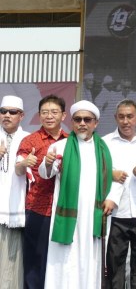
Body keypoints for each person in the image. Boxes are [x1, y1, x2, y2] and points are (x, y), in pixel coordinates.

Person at [38, 100, 113, 289]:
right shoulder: (61, 146)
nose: (82, 123)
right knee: (65, 259)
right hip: (68, 214)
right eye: (77, 119)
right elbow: (47, 173)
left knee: (90, 259)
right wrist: (47, 163)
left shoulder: (105, 149)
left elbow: (115, 178)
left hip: (92, 214)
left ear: (95, 123)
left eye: (87, 119)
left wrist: (112, 199)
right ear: (72, 122)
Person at [17, 95, 68, 289]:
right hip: (38, 208)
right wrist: (23, 164)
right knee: (35, 259)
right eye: (45, 112)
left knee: (60, 260)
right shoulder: (30, 140)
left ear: (63, 115)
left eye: (54, 112)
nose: (49, 116)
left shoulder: (70, 142)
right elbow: (18, 168)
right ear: (39, 116)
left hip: (64, 210)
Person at [103, 100, 136, 289]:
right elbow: (96, 173)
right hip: (116, 212)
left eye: (130, 116)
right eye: (121, 117)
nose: (125, 121)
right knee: (115, 262)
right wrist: (111, 175)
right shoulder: (105, 142)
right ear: (115, 118)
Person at [0, 96, 30, 289]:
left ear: (21, 115)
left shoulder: (29, 139)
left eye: (12, 112)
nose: (7, 116)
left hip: (17, 209)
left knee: (13, 261)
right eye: (3, 111)